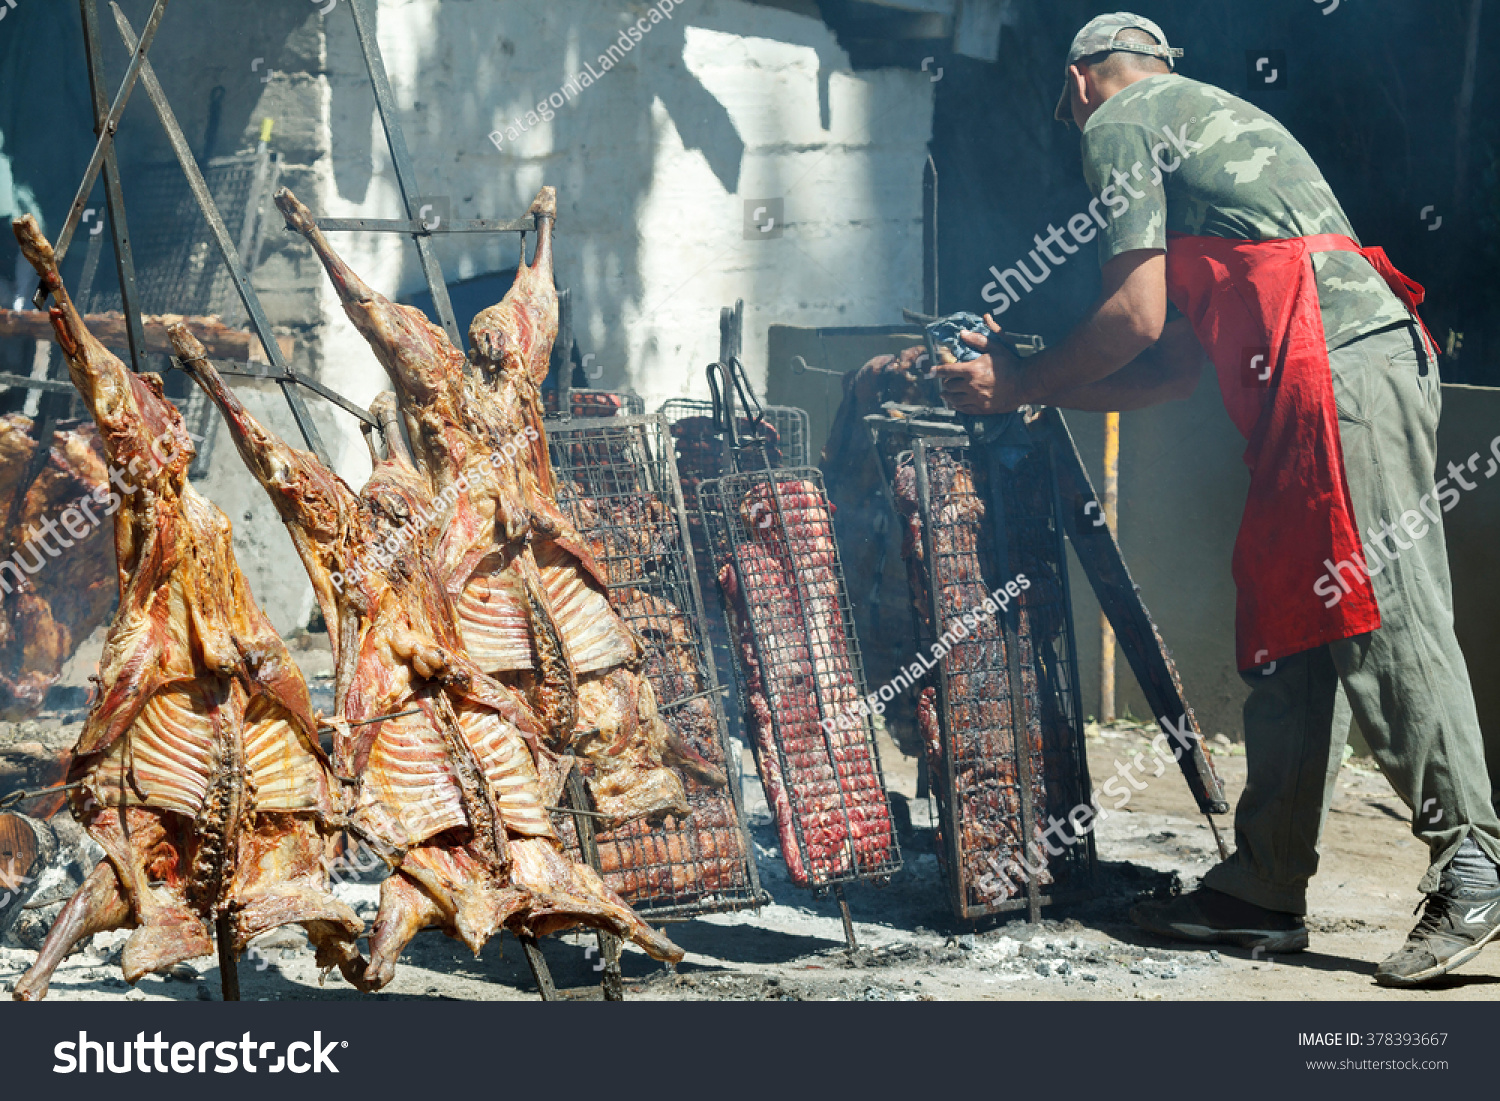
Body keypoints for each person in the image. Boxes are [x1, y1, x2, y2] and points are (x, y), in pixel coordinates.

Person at [934, 11, 1500, 988]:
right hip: (1315, 373)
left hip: (1334, 368)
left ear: (1078, 84)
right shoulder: (1204, 123)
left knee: (1387, 619)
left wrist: (1017, 389)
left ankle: (1475, 872)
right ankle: (1262, 890)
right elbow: (1164, 368)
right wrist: (1028, 370)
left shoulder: (1122, 117)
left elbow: (1133, 315)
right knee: (1291, 628)